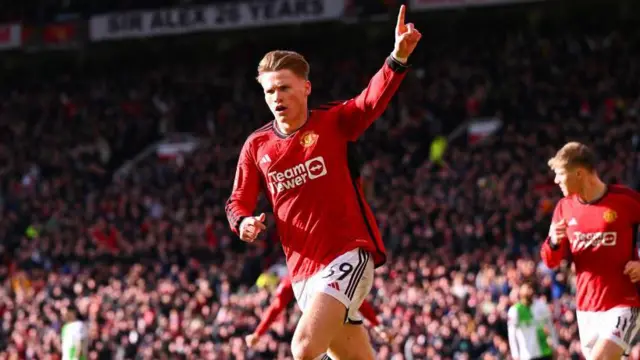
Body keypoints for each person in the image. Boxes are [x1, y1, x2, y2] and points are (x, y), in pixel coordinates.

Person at [225, 5, 421, 359]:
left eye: (284, 88)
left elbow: (370, 101)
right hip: (302, 274)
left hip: (347, 254)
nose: (276, 97)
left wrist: (397, 58)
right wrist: (242, 222)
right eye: (269, 91)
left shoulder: (333, 122)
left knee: (303, 347)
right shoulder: (257, 145)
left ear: (305, 88)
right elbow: (238, 200)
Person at [540, 142, 640, 359]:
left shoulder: (626, 201)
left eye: (560, 174)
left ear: (579, 173)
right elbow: (550, 261)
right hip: (587, 308)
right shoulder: (564, 208)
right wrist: (554, 241)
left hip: (624, 303)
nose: (556, 180)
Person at [245, 275, 394, 349]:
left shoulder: (293, 278)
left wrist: (258, 333)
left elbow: (275, 308)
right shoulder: (294, 278)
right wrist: (377, 325)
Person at [507, 281, 558, 360]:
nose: (530, 290)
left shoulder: (541, 305)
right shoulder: (515, 310)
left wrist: (555, 345)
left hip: (545, 351)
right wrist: (515, 355)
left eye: (531, 288)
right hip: (527, 355)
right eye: (527, 288)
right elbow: (512, 335)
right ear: (520, 291)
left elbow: (550, 326)